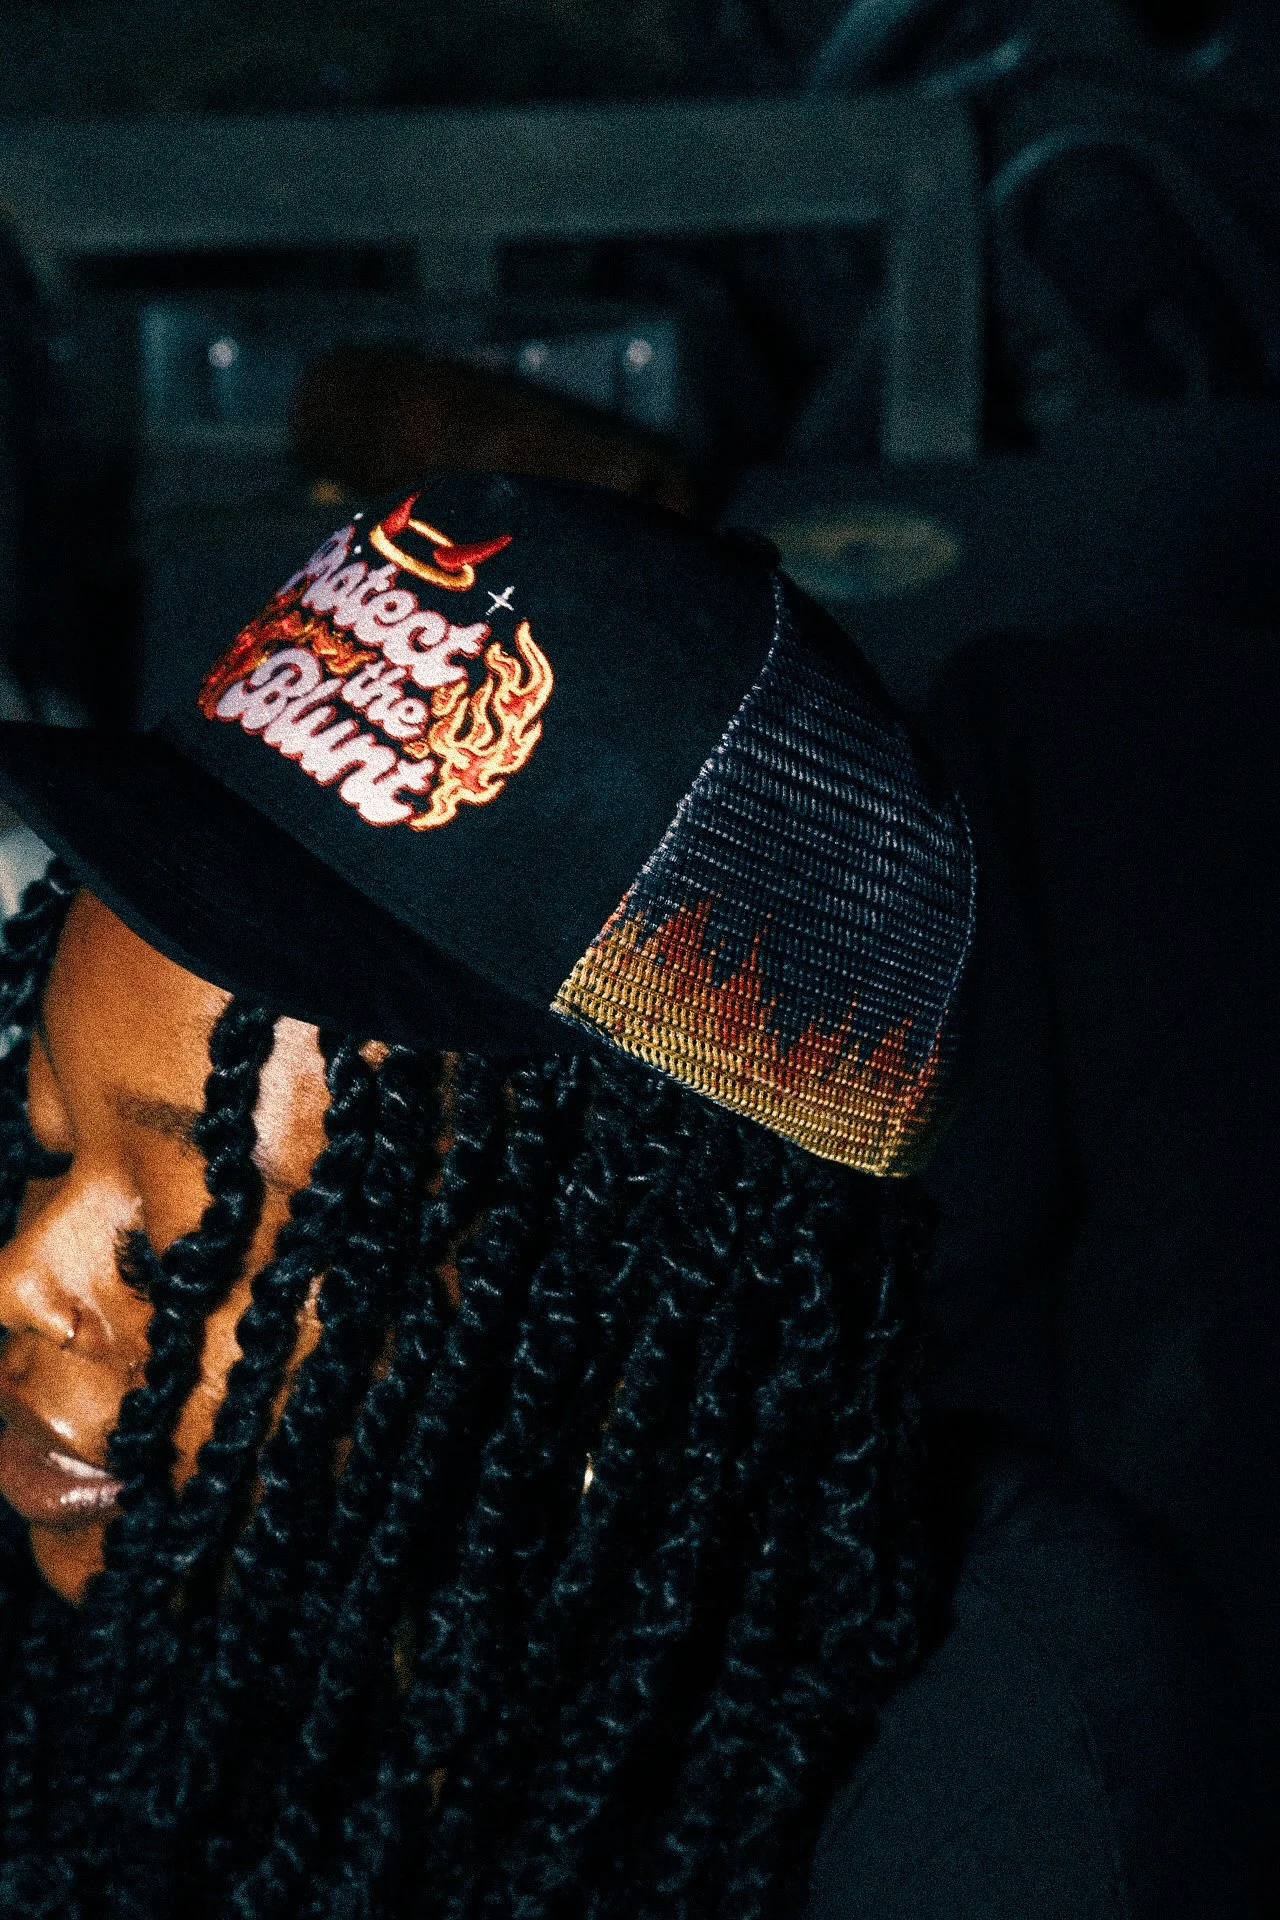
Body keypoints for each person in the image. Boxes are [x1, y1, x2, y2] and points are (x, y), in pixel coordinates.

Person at [0, 473, 1253, 1920]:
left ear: (592, 1314)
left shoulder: (1005, 1777)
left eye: (186, 1228)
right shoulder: (131, 1609)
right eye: (44, 1144)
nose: (22, 1276)